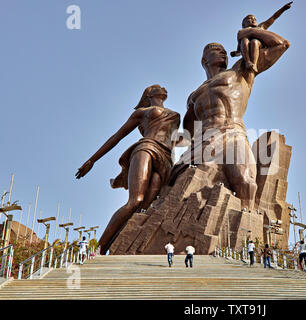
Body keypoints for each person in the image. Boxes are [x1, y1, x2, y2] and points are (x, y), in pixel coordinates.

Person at [173, 19, 290, 213]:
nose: (223, 52)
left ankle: (246, 236)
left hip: (233, 133)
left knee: (245, 183)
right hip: (205, 140)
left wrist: (249, 32)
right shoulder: (194, 96)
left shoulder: (241, 70)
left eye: (224, 51)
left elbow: (282, 44)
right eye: (215, 50)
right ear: (204, 60)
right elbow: (187, 132)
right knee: (182, 183)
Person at [76, 85, 183, 255]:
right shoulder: (142, 112)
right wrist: (92, 160)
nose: (162, 87)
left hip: (167, 158)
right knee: (135, 200)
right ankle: (98, 249)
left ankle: (123, 246)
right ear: (149, 94)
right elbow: (117, 136)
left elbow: (179, 139)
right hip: (147, 147)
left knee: (146, 206)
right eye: (157, 87)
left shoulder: (175, 114)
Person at [230, 2, 292, 72]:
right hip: (247, 47)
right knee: (244, 40)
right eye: (249, 19)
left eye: (254, 19)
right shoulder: (242, 32)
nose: (253, 20)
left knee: (254, 42)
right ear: (244, 24)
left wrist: (283, 9)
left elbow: (273, 17)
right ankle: (248, 61)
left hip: (259, 45)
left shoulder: (261, 27)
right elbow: (240, 48)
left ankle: (254, 64)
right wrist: (235, 53)